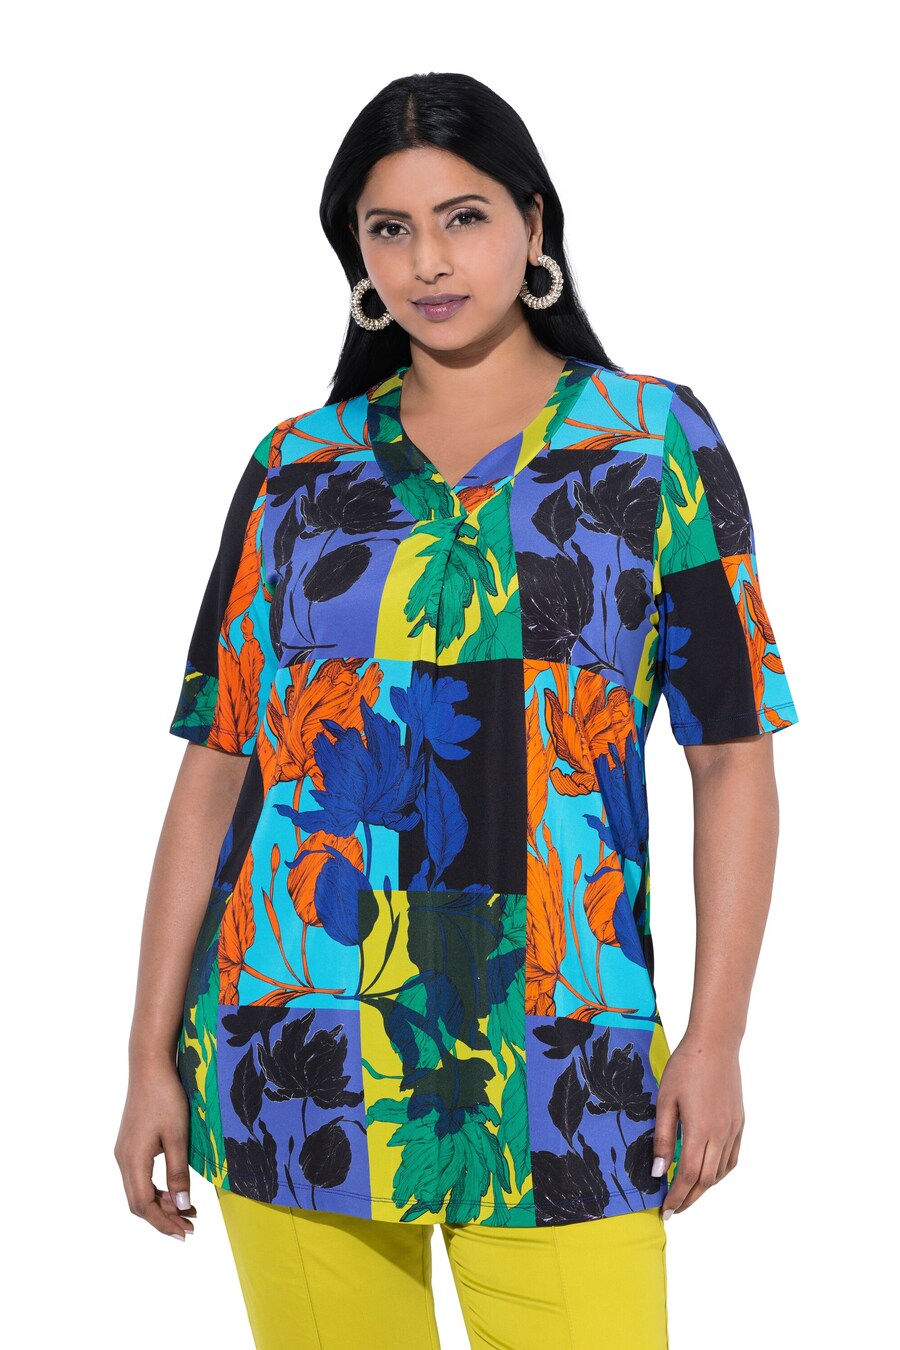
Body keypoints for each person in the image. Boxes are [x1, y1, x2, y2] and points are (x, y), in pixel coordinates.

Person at [115, 70, 799, 1350]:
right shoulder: (296, 468)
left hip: (565, 1053)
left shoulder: (650, 444)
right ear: (358, 258)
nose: (429, 260)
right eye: (391, 229)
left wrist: (714, 1039)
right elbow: (217, 768)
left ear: (534, 225)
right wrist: (148, 1054)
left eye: (465, 217)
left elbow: (732, 756)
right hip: (296, 1046)